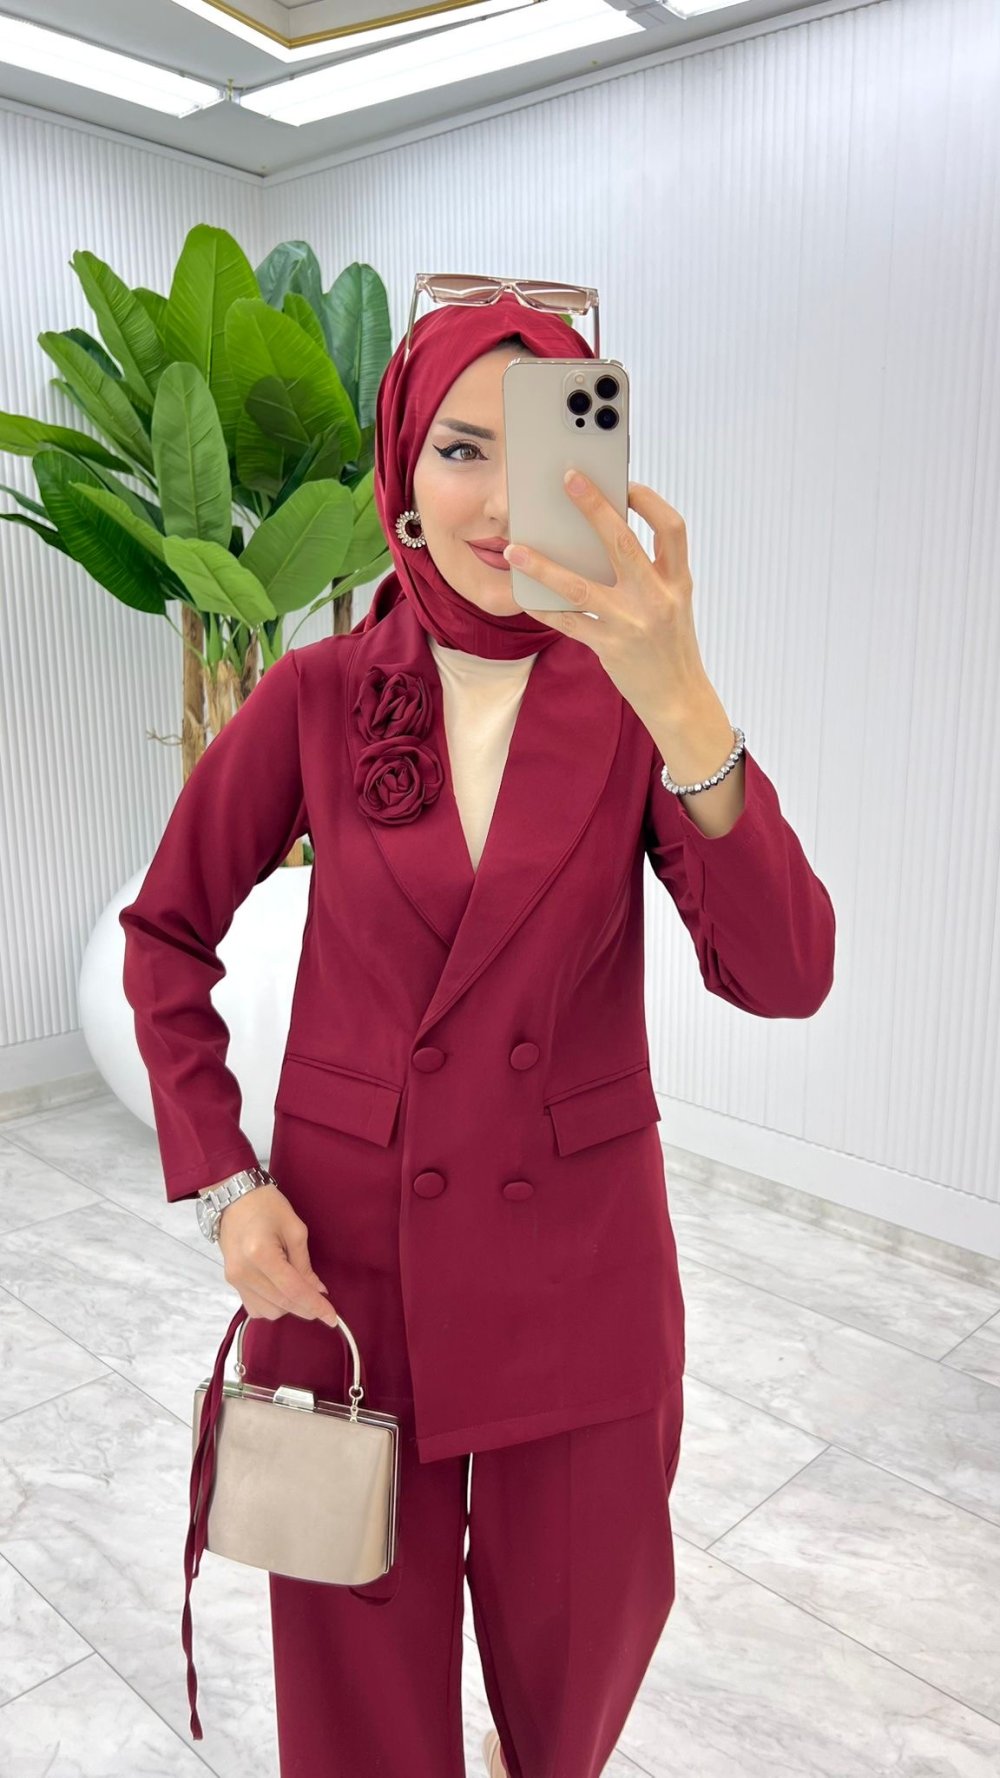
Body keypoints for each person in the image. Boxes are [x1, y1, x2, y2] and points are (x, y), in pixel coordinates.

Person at [119, 292, 836, 1777]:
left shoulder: (635, 702)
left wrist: (686, 697)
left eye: (541, 450)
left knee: (575, 1674)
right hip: (346, 1272)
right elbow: (164, 930)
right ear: (402, 470)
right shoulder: (321, 694)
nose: (504, 504)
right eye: (462, 450)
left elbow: (784, 975)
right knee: (357, 1703)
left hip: (578, 1272)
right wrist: (225, 1181)